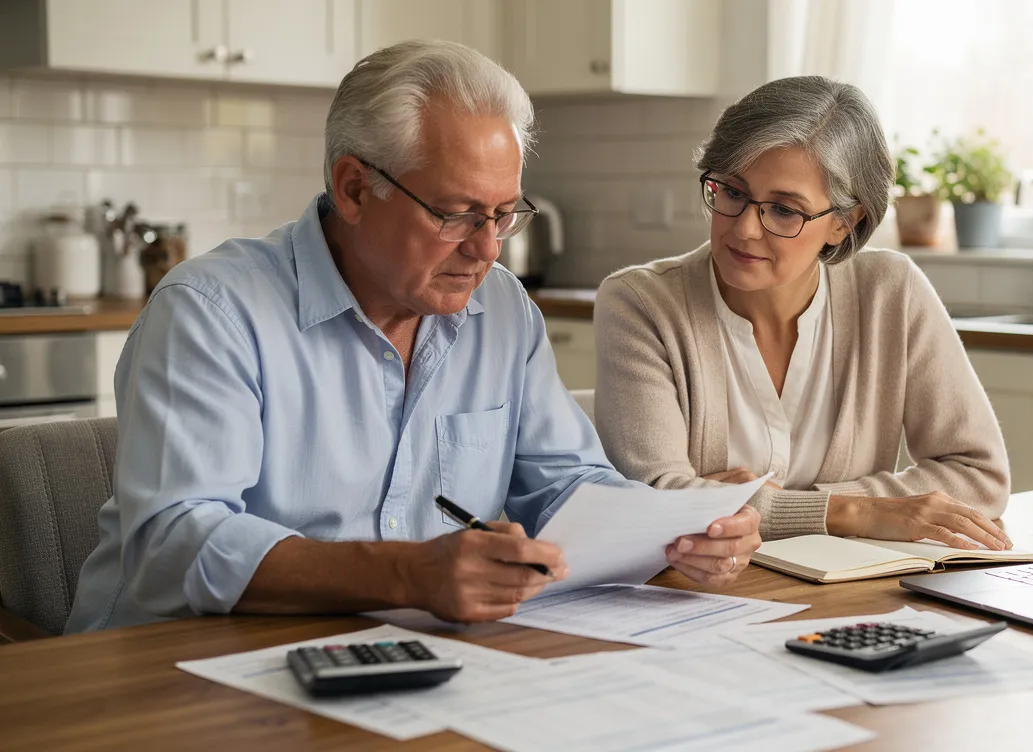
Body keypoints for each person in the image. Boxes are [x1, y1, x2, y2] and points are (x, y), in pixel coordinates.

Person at [66, 41, 760, 633]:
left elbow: (566, 485)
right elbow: (174, 543)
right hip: (173, 670)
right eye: (457, 215)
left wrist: (677, 532)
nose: (488, 250)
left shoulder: (504, 311)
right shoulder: (211, 312)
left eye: (504, 213)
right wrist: (406, 574)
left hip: (402, 659)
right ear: (355, 189)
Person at [594, 76, 1013, 552]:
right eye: (731, 192)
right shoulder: (639, 303)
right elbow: (655, 497)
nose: (745, 229)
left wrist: (749, 504)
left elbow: (980, 476)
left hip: (848, 595)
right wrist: (853, 512)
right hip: (694, 597)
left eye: (783, 210)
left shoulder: (890, 292)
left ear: (843, 222)